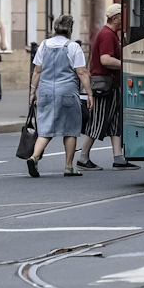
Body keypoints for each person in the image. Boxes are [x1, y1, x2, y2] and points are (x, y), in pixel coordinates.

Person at [26, 14, 93, 178]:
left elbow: (37, 71)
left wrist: (33, 91)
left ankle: (34, 157)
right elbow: (82, 72)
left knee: (45, 128)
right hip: (67, 91)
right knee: (70, 129)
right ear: (70, 30)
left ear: (55, 28)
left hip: (46, 90)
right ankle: (69, 167)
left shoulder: (44, 45)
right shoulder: (73, 47)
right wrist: (89, 93)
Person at [79, 4, 139, 171]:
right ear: (115, 18)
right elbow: (105, 60)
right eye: (122, 16)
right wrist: (126, 64)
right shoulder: (107, 35)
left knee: (114, 122)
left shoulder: (111, 34)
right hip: (104, 87)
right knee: (97, 122)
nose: (124, 19)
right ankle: (83, 158)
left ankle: (118, 158)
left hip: (112, 86)